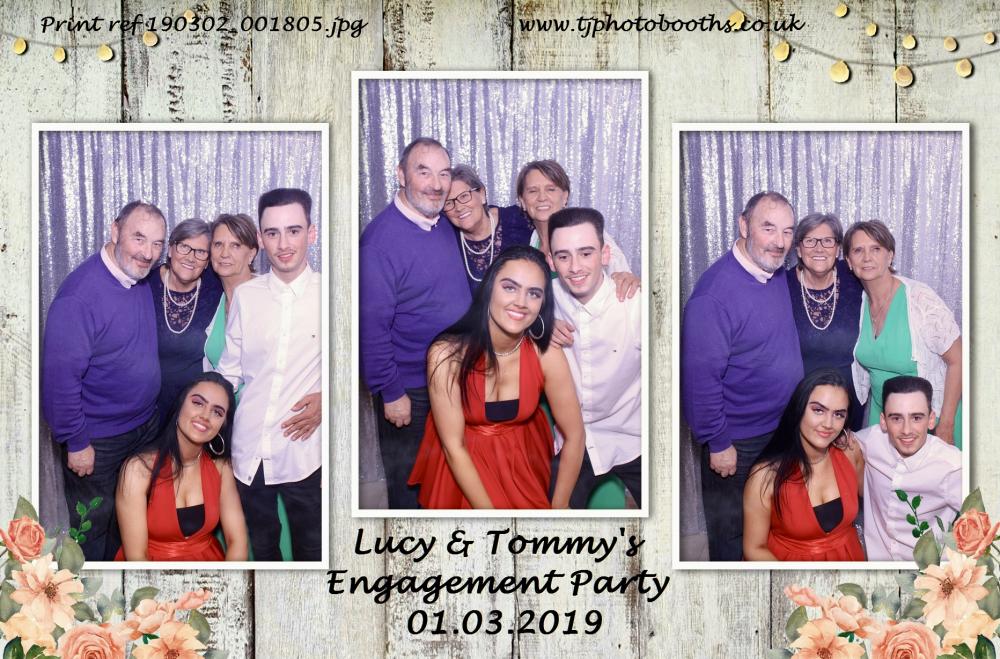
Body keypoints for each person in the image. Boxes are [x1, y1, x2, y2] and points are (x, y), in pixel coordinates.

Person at [408, 246, 585, 509]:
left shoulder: (546, 353)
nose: (521, 302)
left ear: (542, 303)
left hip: (519, 462)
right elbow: (454, 447)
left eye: (534, 293)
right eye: (510, 287)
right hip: (463, 465)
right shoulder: (447, 355)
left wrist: (559, 508)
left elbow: (575, 435)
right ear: (489, 288)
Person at [681, 191, 804, 560]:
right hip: (738, 440)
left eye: (787, 231)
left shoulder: (773, 272)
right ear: (743, 225)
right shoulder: (713, 296)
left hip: (779, 430)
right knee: (731, 535)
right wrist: (718, 442)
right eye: (769, 228)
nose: (780, 241)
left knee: (769, 526)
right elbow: (700, 379)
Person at [41, 201, 166, 560]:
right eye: (139, 238)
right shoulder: (79, 297)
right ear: (114, 231)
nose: (148, 253)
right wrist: (77, 441)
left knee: (128, 521)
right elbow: (59, 380)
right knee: (93, 530)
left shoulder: (136, 277)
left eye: (157, 243)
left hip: (143, 426)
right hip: (99, 440)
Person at [360, 137, 472, 509]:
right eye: (424, 172)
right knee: (410, 486)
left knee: (448, 478)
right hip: (411, 388)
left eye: (444, 174)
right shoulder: (379, 242)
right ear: (401, 175)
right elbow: (370, 327)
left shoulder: (442, 223)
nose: (436, 184)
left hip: (453, 376)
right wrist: (391, 392)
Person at [216, 188, 322, 560]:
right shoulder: (247, 296)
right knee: (262, 548)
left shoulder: (332, 294)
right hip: (250, 451)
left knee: (313, 550)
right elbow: (229, 370)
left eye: (294, 231)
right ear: (261, 239)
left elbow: (352, 364)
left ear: (311, 233)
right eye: (273, 233)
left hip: (305, 452)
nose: (284, 244)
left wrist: (329, 398)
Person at [546, 207, 642, 508]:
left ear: (605, 254)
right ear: (551, 261)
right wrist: (540, 327)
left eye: (586, 253)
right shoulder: (542, 299)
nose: (575, 267)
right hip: (574, 440)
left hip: (633, 437)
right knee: (550, 521)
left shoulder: (635, 303)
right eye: (563, 256)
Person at [844, 220, 963, 447]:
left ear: (890, 256)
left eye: (876, 248)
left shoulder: (919, 298)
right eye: (858, 250)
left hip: (929, 421)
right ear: (849, 261)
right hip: (883, 421)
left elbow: (959, 360)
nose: (867, 257)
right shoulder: (860, 302)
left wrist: (946, 424)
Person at [115, 372, 248, 561]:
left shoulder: (220, 467)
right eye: (198, 403)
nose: (205, 416)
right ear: (179, 405)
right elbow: (137, 557)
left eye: (217, 412)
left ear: (222, 425)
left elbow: (237, 542)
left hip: (210, 566)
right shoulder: (138, 469)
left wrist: (227, 580)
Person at [743, 369, 865, 561]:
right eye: (818, 410)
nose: (828, 424)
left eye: (838, 414)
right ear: (798, 409)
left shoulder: (850, 452)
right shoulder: (766, 476)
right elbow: (754, 548)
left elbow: (877, 500)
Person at [853, 375, 962, 561]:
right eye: (896, 418)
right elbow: (843, 441)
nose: (906, 430)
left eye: (916, 418)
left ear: (931, 419)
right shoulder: (872, 440)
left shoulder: (952, 467)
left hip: (928, 571)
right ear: (883, 421)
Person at [514, 159, 639, 298]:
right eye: (532, 191)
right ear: (522, 201)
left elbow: (623, 277)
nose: (542, 197)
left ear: (565, 197)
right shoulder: (530, 243)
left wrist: (626, 279)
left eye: (550, 189)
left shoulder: (587, 233)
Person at [785, 213, 864, 430]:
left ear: (838, 248)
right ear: (798, 249)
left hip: (848, 403)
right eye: (810, 241)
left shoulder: (856, 279)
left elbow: (888, 286)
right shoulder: (781, 286)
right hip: (800, 401)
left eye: (828, 241)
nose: (819, 248)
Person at [148, 219, 223, 426]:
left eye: (201, 252)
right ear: (170, 249)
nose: (191, 257)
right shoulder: (144, 284)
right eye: (184, 247)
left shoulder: (217, 288)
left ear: (208, 261)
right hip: (144, 411)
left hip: (194, 413)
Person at [444, 164, 534, 289]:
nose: (458, 208)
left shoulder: (519, 219)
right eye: (448, 203)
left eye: (464, 196)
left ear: (481, 194)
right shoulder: (447, 239)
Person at [204, 213, 259, 373]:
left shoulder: (267, 296)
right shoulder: (215, 298)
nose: (224, 253)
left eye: (235, 245)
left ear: (251, 253)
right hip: (220, 389)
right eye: (218, 244)